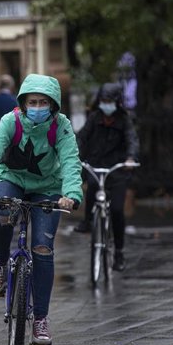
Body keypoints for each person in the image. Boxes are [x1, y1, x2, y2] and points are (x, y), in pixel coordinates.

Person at [0, 73, 83, 345]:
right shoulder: (11, 121)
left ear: (53, 105)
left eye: (43, 102)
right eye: (31, 102)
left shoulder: (62, 126)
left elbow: (70, 160)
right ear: (22, 102)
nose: (36, 107)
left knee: (43, 247)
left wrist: (71, 194)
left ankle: (41, 318)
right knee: (3, 212)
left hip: (47, 186)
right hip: (10, 177)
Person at [74, 82, 140, 272]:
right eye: (103, 101)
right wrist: (76, 155)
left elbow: (132, 140)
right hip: (96, 165)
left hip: (117, 171)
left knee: (118, 210)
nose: (106, 104)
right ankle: (88, 222)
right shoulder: (94, 118)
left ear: (117, 103)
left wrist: (130, 158)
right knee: (93, 186)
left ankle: (118, 252)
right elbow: (82, 137)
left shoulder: (125, 121)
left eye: (109, 101)